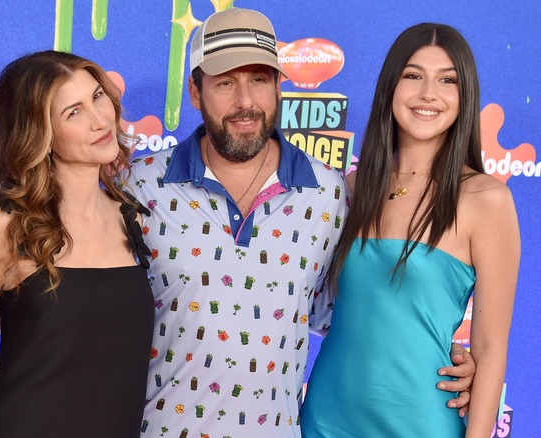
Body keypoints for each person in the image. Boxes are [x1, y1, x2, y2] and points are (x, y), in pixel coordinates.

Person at [128, 9, 476, 437]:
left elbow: (356, 312)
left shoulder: (330, 192)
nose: (245, 102)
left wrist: (447, 358)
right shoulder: (140, 186)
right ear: (195, 92)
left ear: (279, 86)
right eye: (224, 83)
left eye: (259, 79)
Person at [301, 23, 520, 437]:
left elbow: (490, 351)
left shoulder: (488, 201)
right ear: (390, 86)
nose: (428, 94)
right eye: (413, 75)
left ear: (465, 96)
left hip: (422, 421)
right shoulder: (349, 189)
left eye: (447, 80)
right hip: (327, 418)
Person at [0, 50, 154, 437]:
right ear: (40, 133)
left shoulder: (131, 217)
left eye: (97, 97)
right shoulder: (8, 224)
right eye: (73, 112)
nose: (99, 120)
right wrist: (19, 375)